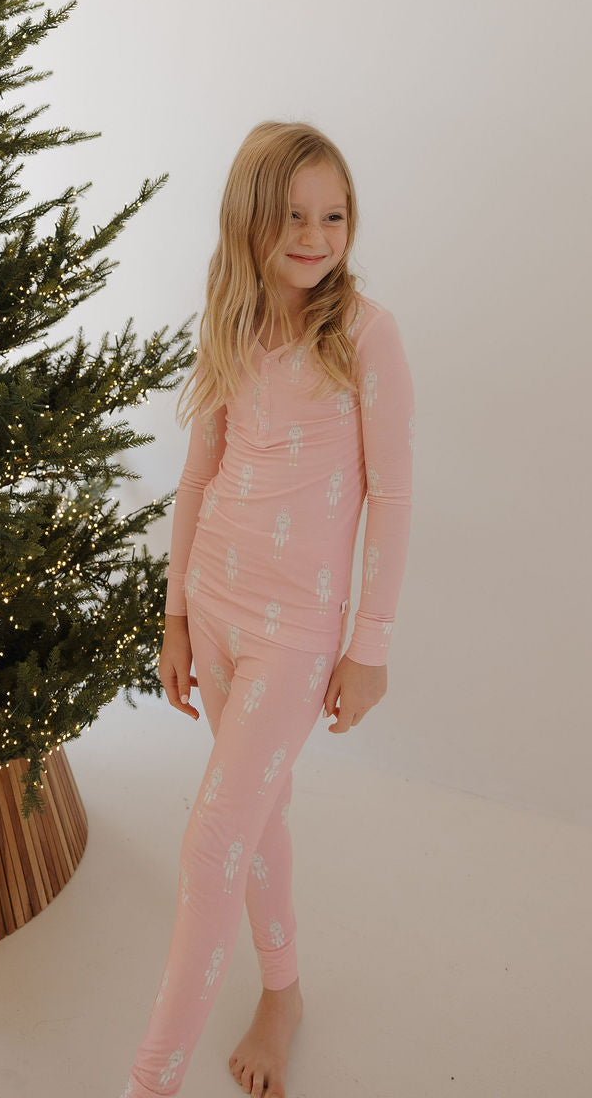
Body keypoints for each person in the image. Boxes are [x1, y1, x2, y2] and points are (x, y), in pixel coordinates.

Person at [118, 119, 415, 1098]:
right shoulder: (233, 320)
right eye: (293, 215)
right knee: (259, 814)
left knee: (212, 843)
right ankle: (282, 995)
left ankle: (149, 1080)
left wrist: (368, 645)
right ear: (251, 220)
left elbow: (393, 492)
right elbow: (197, 473)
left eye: (333, 215)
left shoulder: (366, 333)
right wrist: (171, 617)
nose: (316, 234)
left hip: (296, 634)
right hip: (214, 610)